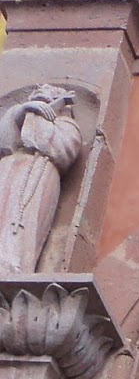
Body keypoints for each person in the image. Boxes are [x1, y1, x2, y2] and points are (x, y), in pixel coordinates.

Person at [0, 86, 84, 272]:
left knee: (25, 222)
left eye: (47, 100)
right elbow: (4, 142)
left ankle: (14, 264)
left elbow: (60, 150)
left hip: (38, 173)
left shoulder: (67, 126)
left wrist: (37, 117)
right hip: (7, 169)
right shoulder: (17, 116)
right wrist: (21, 112)